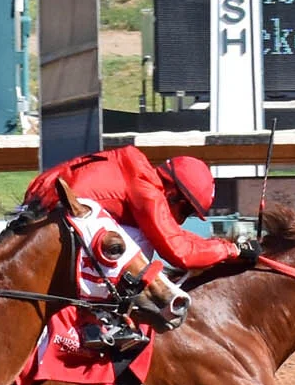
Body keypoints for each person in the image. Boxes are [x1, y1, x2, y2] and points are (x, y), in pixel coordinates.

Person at [30, 148, 257, 350]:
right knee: (137, 245)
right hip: (58, 218)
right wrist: (232, 251)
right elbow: (181, 253)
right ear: (173, 192)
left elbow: (174, 235)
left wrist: (229, 247)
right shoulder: (146, 190)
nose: (182, 220)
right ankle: (105, 320)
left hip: (48, 210)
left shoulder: (141, 177)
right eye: (186, 210)